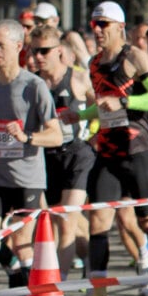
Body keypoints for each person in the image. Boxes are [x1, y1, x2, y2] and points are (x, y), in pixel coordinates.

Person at [65, 1, 148, 296]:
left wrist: (125, 100)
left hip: (137, 151)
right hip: (107, 152)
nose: (98, 30)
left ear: (119, 26)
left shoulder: (134, 57)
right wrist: (82, 114)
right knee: (98, 222)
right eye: (94, 25)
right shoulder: (93, 63)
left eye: (103, 24)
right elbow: (105, 106)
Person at [0, 19, 63, 296]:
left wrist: (26, 137)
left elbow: (55, 135)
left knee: (24, 243)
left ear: (18, 46)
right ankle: (14, 270)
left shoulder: (33, 86)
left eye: (1, 44)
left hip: (27, 178)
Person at [31, 25, 96, 280]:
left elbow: (100, 108)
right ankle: (89, 260)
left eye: (44, 51)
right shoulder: (32, 83)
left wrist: (94, 133)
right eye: (35, 51)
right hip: (46, 156)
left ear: (59, 50)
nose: (38, 57)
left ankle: (58, 285)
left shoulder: (78, 78)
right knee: (59, 221)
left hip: (77, 154)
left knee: (67, 221)